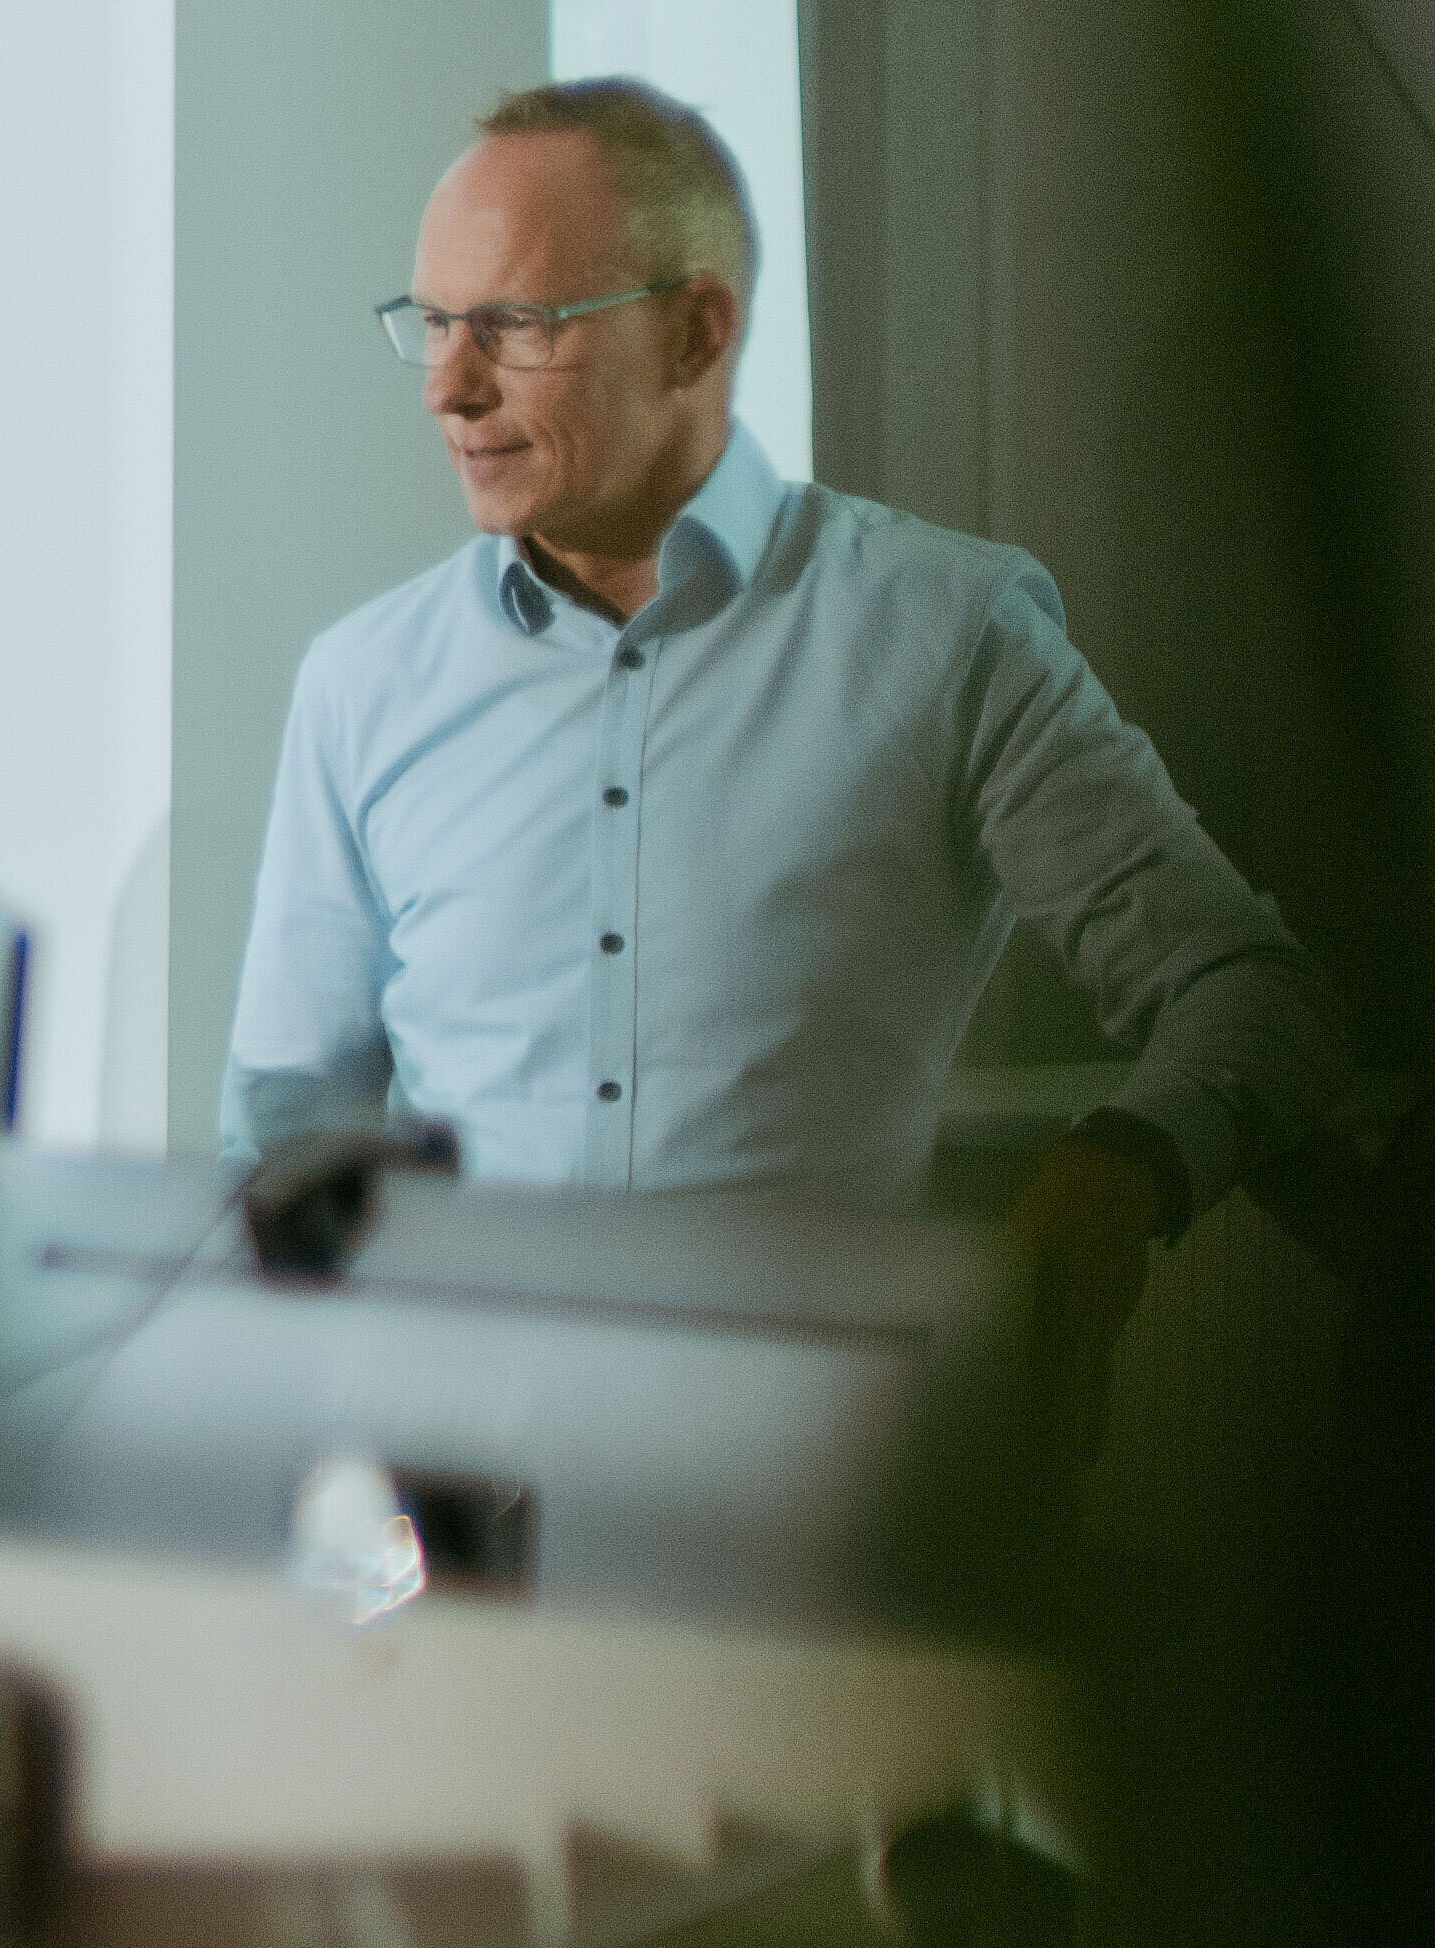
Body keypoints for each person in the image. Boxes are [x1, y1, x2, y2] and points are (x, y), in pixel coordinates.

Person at [227, 77, 1345, 1398]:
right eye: (431, 325)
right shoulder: (361, 683)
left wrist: (1117, 1174)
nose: (448, 390)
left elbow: (1255, 998)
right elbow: (285, 1130)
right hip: (440, 1487)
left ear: (695, 331)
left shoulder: (943, 633)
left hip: (801, 1486)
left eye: (513, 326)